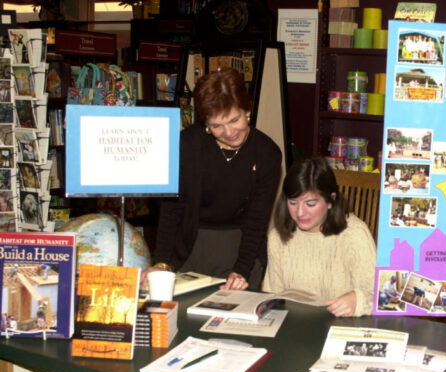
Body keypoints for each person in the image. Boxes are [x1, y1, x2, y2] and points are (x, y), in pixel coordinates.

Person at [144, 68, 282, 291]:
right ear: (206, 124)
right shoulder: (187, 145)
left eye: (234, 120)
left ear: (247, 110)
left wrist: (242, 270)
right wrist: (161, 262)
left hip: (241, 249)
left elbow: (257, 219)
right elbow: (172, 210)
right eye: (217, 126)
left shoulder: (267, 153)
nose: (229, 132)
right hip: (190, 246)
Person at [261, 157, 376, 317]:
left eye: (310, 204)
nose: (300, 213)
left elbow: (379, 295)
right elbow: (272, 295)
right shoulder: (278, 236)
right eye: (293, 203)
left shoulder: (354, 234)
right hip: (294, 326)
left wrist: (358, 300)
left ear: (331, 200)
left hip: (341, 328)